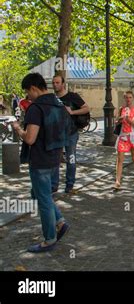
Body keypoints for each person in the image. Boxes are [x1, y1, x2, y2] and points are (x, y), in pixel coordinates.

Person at [12, 73, 70, 252]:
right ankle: (60, 222)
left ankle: (49, 239)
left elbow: (30, 139)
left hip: (40, 161)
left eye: (28, 92)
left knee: (43, 199)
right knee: (38, 194)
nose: (27, 96)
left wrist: (18, 129)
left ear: (34, 89)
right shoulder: (59, 104)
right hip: (54, 159)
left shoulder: (36, 108)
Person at [51, 75, 90, 193]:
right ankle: (54, 185)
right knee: (55, 160)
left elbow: (86, 108)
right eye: (53, 83)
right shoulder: (52, 99)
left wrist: (72, 112)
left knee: (71, 159)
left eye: (57, 82)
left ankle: (69, 184)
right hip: (56, 134)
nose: (55, 85)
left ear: (63, 84)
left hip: (71, 133)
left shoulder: (73, 96)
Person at [115, 91, 134, 190]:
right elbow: (117, 121)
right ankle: (117, 181)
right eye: (126, 97)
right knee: (120, 159)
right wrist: (119, 119)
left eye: (130, 97)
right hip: (123, 136)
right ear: (124, 98)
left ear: (133, 98)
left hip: (132, 136)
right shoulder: (121, 109)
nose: (128, 99)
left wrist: (128, 120)